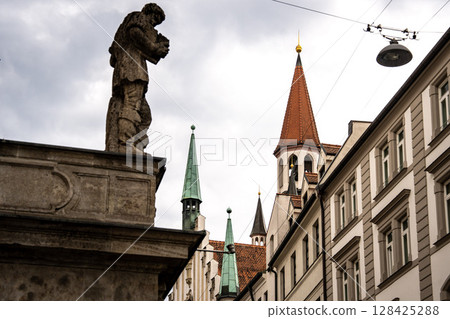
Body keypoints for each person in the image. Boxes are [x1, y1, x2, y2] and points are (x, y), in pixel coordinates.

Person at [106, 3, 169, 153]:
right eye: (155, 19)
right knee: (132, 104)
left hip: (126, 69)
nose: (154, 23)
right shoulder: (137, 17)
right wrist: (154, 48)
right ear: (149, 12)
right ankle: (125, 144)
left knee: (145, 115)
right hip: (132, 69)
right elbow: (135, 32)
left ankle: (135, 144)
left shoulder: (125, 25)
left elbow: (112, 58)